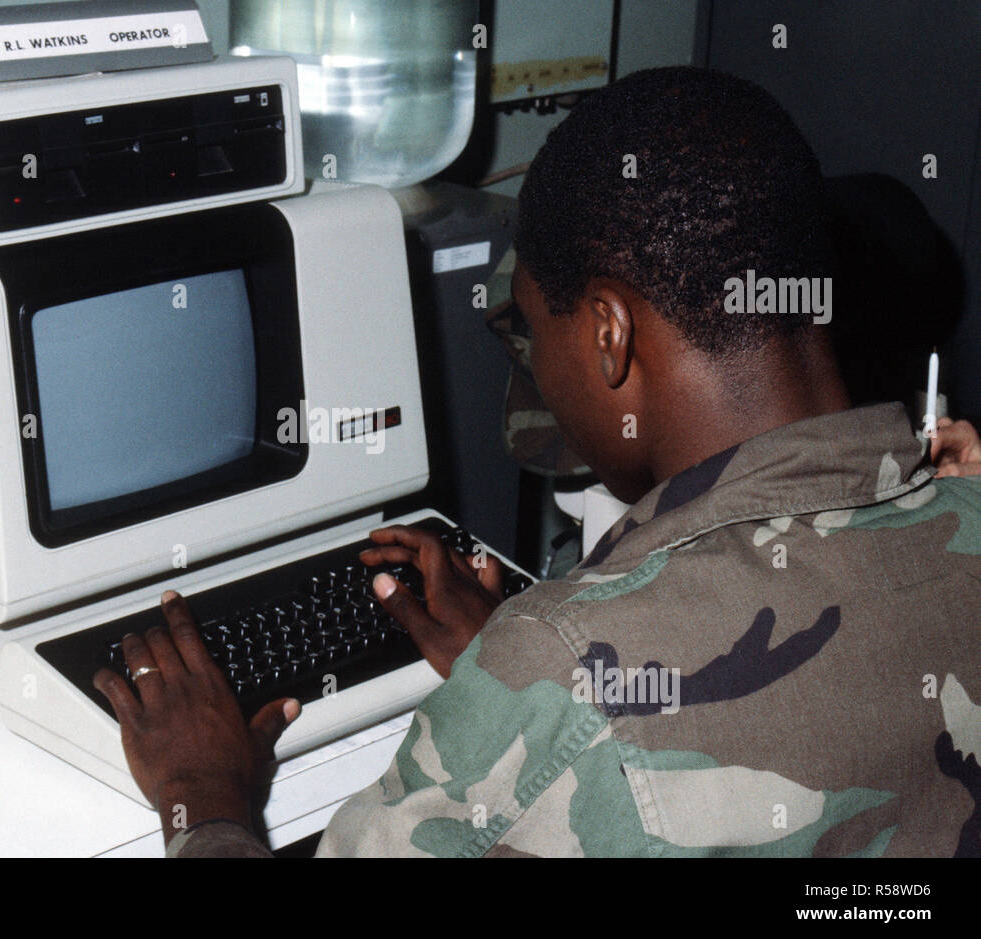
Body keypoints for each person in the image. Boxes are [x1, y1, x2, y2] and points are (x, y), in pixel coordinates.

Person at [92, 66, 981, 858]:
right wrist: (521, 680)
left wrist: (200, 796)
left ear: (608, 335)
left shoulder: (556, 675)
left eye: (534, 327)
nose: (536, 371)